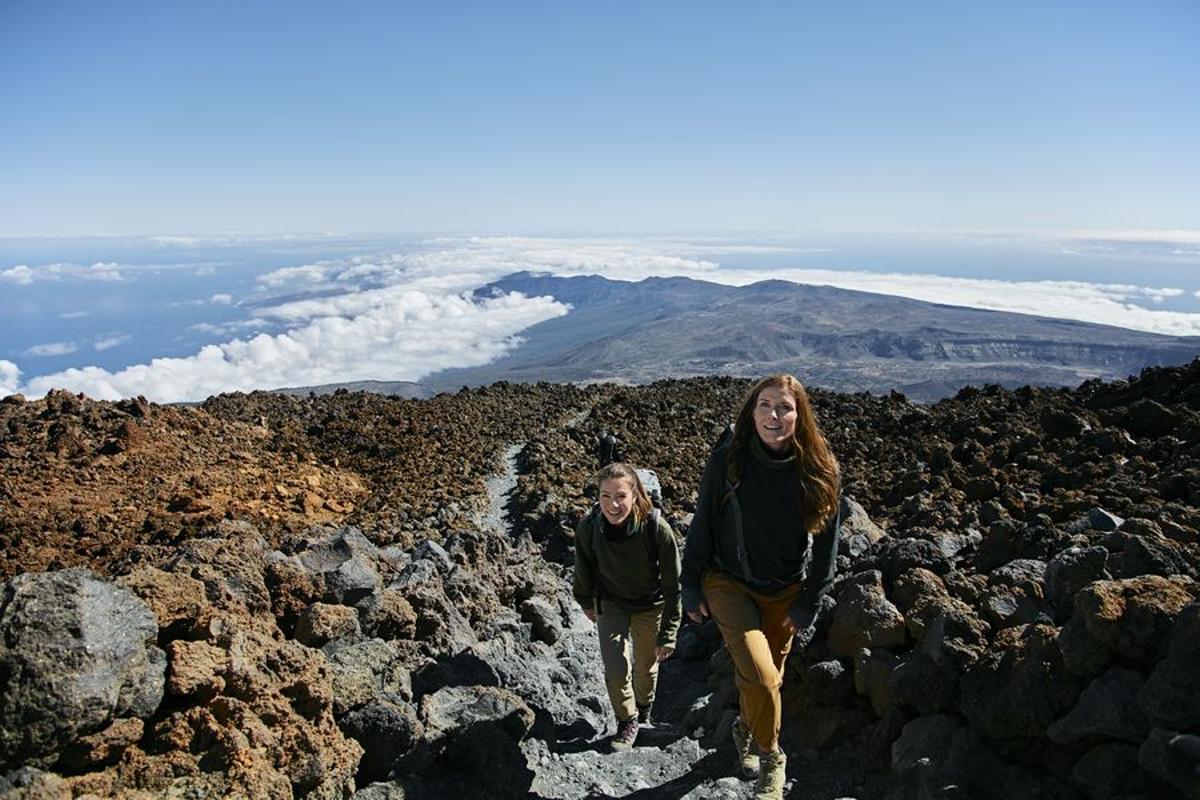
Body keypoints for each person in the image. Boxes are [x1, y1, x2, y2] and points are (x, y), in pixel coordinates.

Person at [681, 374, 841, 800]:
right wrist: (690, 586)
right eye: (765, 406)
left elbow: (827, 549)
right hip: (728, 582)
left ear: (799, 415)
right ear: (751, 413)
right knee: (763, 677)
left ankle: (745, 729)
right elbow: (702, 526)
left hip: (786, 591)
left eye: (784, 407)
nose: (774, 415)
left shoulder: (819, 469)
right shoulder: (728, 461)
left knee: (763, 680)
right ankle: (773, 759)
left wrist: (809, 602)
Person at [574, 462, 682, 751]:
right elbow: (583, 567)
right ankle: (627, 720)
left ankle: (643, 708)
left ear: (635, 495)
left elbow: (675, 585)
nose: (613, 504)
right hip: (611, 603)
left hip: (650, 605)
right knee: (615, 667)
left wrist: (669, 632)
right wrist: (585, 601)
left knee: (646, 667)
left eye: (620, 496)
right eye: (605, 496)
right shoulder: (589, 526)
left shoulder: (656, 528)